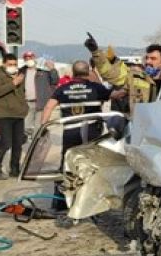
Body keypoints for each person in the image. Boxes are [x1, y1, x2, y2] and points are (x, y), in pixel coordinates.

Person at [41, 61, 114, 210]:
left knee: (67, 163)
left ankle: (61, 200)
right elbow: (116, 95)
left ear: (73, 73)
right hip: (92, 132)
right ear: (87, 72)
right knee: (92, 163)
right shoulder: (96, 88)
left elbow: (49, 106)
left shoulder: (62, 88)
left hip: (70, 133)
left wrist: (44, 126)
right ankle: (89, 200)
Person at [0, 53, 29, 180]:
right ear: (4, 64)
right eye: (10, 64)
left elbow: (21, 93)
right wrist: (13, 83)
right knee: (6, 142)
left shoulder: (19, 75)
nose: (13, 67)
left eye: (15, 64)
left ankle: (15, 168)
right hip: (3, 114)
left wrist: (24, 108)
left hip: (18, 114)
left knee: (18, 143)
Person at [21, 51, 58, 136]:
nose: (28, 60)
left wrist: (52, 69)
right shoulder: (21, 71)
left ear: (35, 58)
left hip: (40, 102)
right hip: (26, 103)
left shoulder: (43, 71)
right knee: (25, 126)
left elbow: (55, 81)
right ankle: (27, 140)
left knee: (38, 127)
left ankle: (35, 144)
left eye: (30, 58)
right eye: (26, 58)